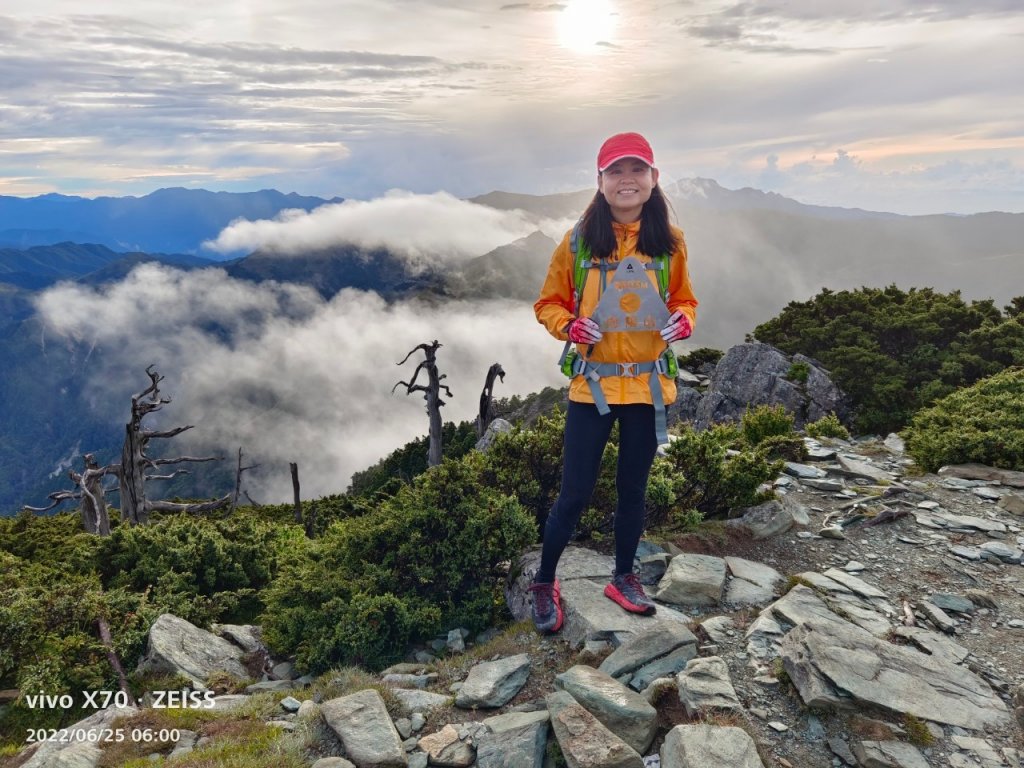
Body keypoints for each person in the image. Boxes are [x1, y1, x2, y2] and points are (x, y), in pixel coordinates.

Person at [530, 131, 698, 633]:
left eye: (637, 170)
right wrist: (570, 326)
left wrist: (684, 320)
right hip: (592, 388)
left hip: (648, 390)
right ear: (600, 182)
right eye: (616, 171)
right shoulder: (579, 242)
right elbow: (548, 303)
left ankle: (622, 576)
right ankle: (544, 580)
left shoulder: (669, 242)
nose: (628, 179)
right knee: (574, 494)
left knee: (633, 491)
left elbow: (684, 299)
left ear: (654, 179)